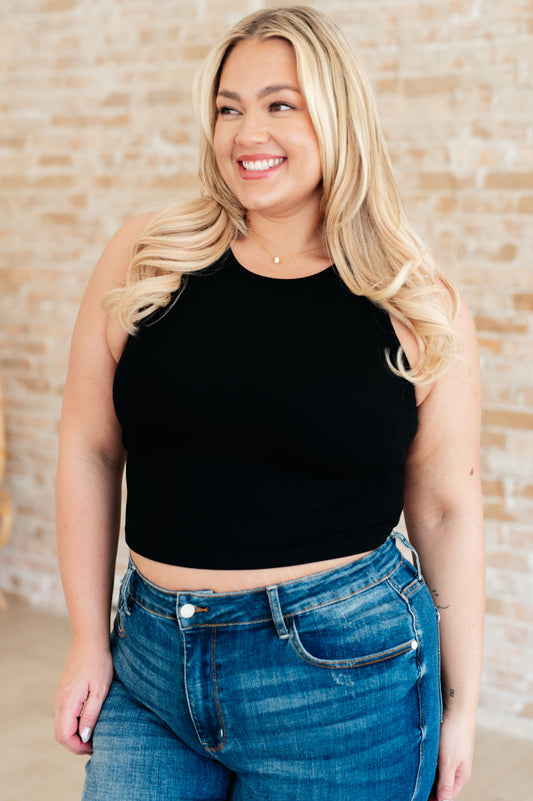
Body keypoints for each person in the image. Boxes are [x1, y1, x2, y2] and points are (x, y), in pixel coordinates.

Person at [54, 6, 484, 801]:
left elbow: (446, 508)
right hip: (151, 666)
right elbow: (88, 445)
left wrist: (460, 704)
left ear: (337, 114)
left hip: (343, 681)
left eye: (279, 104)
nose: (246, 133)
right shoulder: (148, 256)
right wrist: (87, 637)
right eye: (229, 108)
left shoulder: (413, 302)